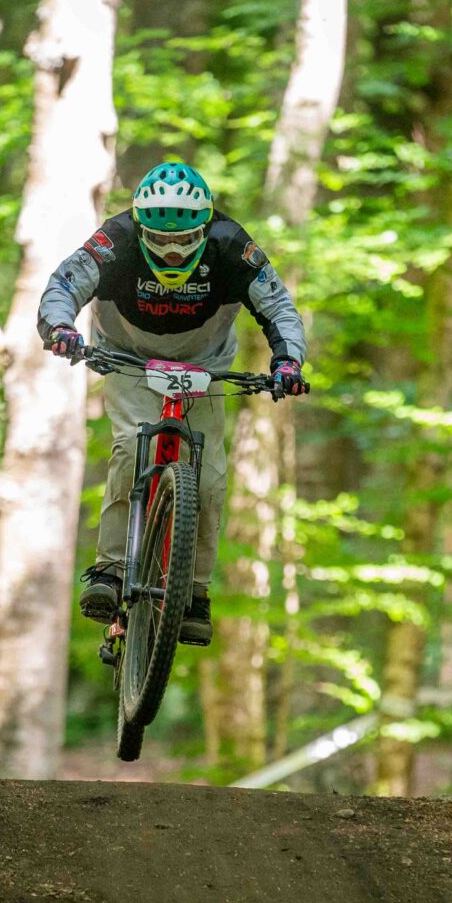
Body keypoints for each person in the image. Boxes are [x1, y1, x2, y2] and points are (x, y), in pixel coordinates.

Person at [37, 161, 309, 646]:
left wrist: (287, 361)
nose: (172, 251)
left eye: (184, 240)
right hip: (129, 358)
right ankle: (111, 570)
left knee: (210, 479)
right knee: (130, 448)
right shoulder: (115, 240)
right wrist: (60, 327)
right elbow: (64, 284)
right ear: (141, 228)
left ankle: (195, 593)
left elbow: (278, 307)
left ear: (204, 228)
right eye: (161, 240)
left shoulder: (231, 245)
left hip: (205, 366)